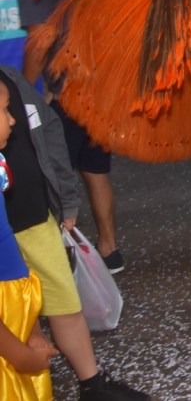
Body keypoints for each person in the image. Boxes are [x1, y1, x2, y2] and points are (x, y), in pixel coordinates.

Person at [0, 67, 148, 400]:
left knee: (64, 302)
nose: (10, 120)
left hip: (34, 218)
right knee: (12, 313)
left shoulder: (10, 80)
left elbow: (49, 131)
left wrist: (66, 199)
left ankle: (92, 385)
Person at [0, 0, 125, 275]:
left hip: (68, 92)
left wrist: (26, 92)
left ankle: (59, 262)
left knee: (52, 174)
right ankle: (109, 250)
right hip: (97, 85)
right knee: (95, 170)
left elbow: (41, 41)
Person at [0, 80, 57, 401]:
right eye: (5, 111)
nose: (12, 120)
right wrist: (18, 355)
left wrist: (32, 328)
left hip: (13, 312)